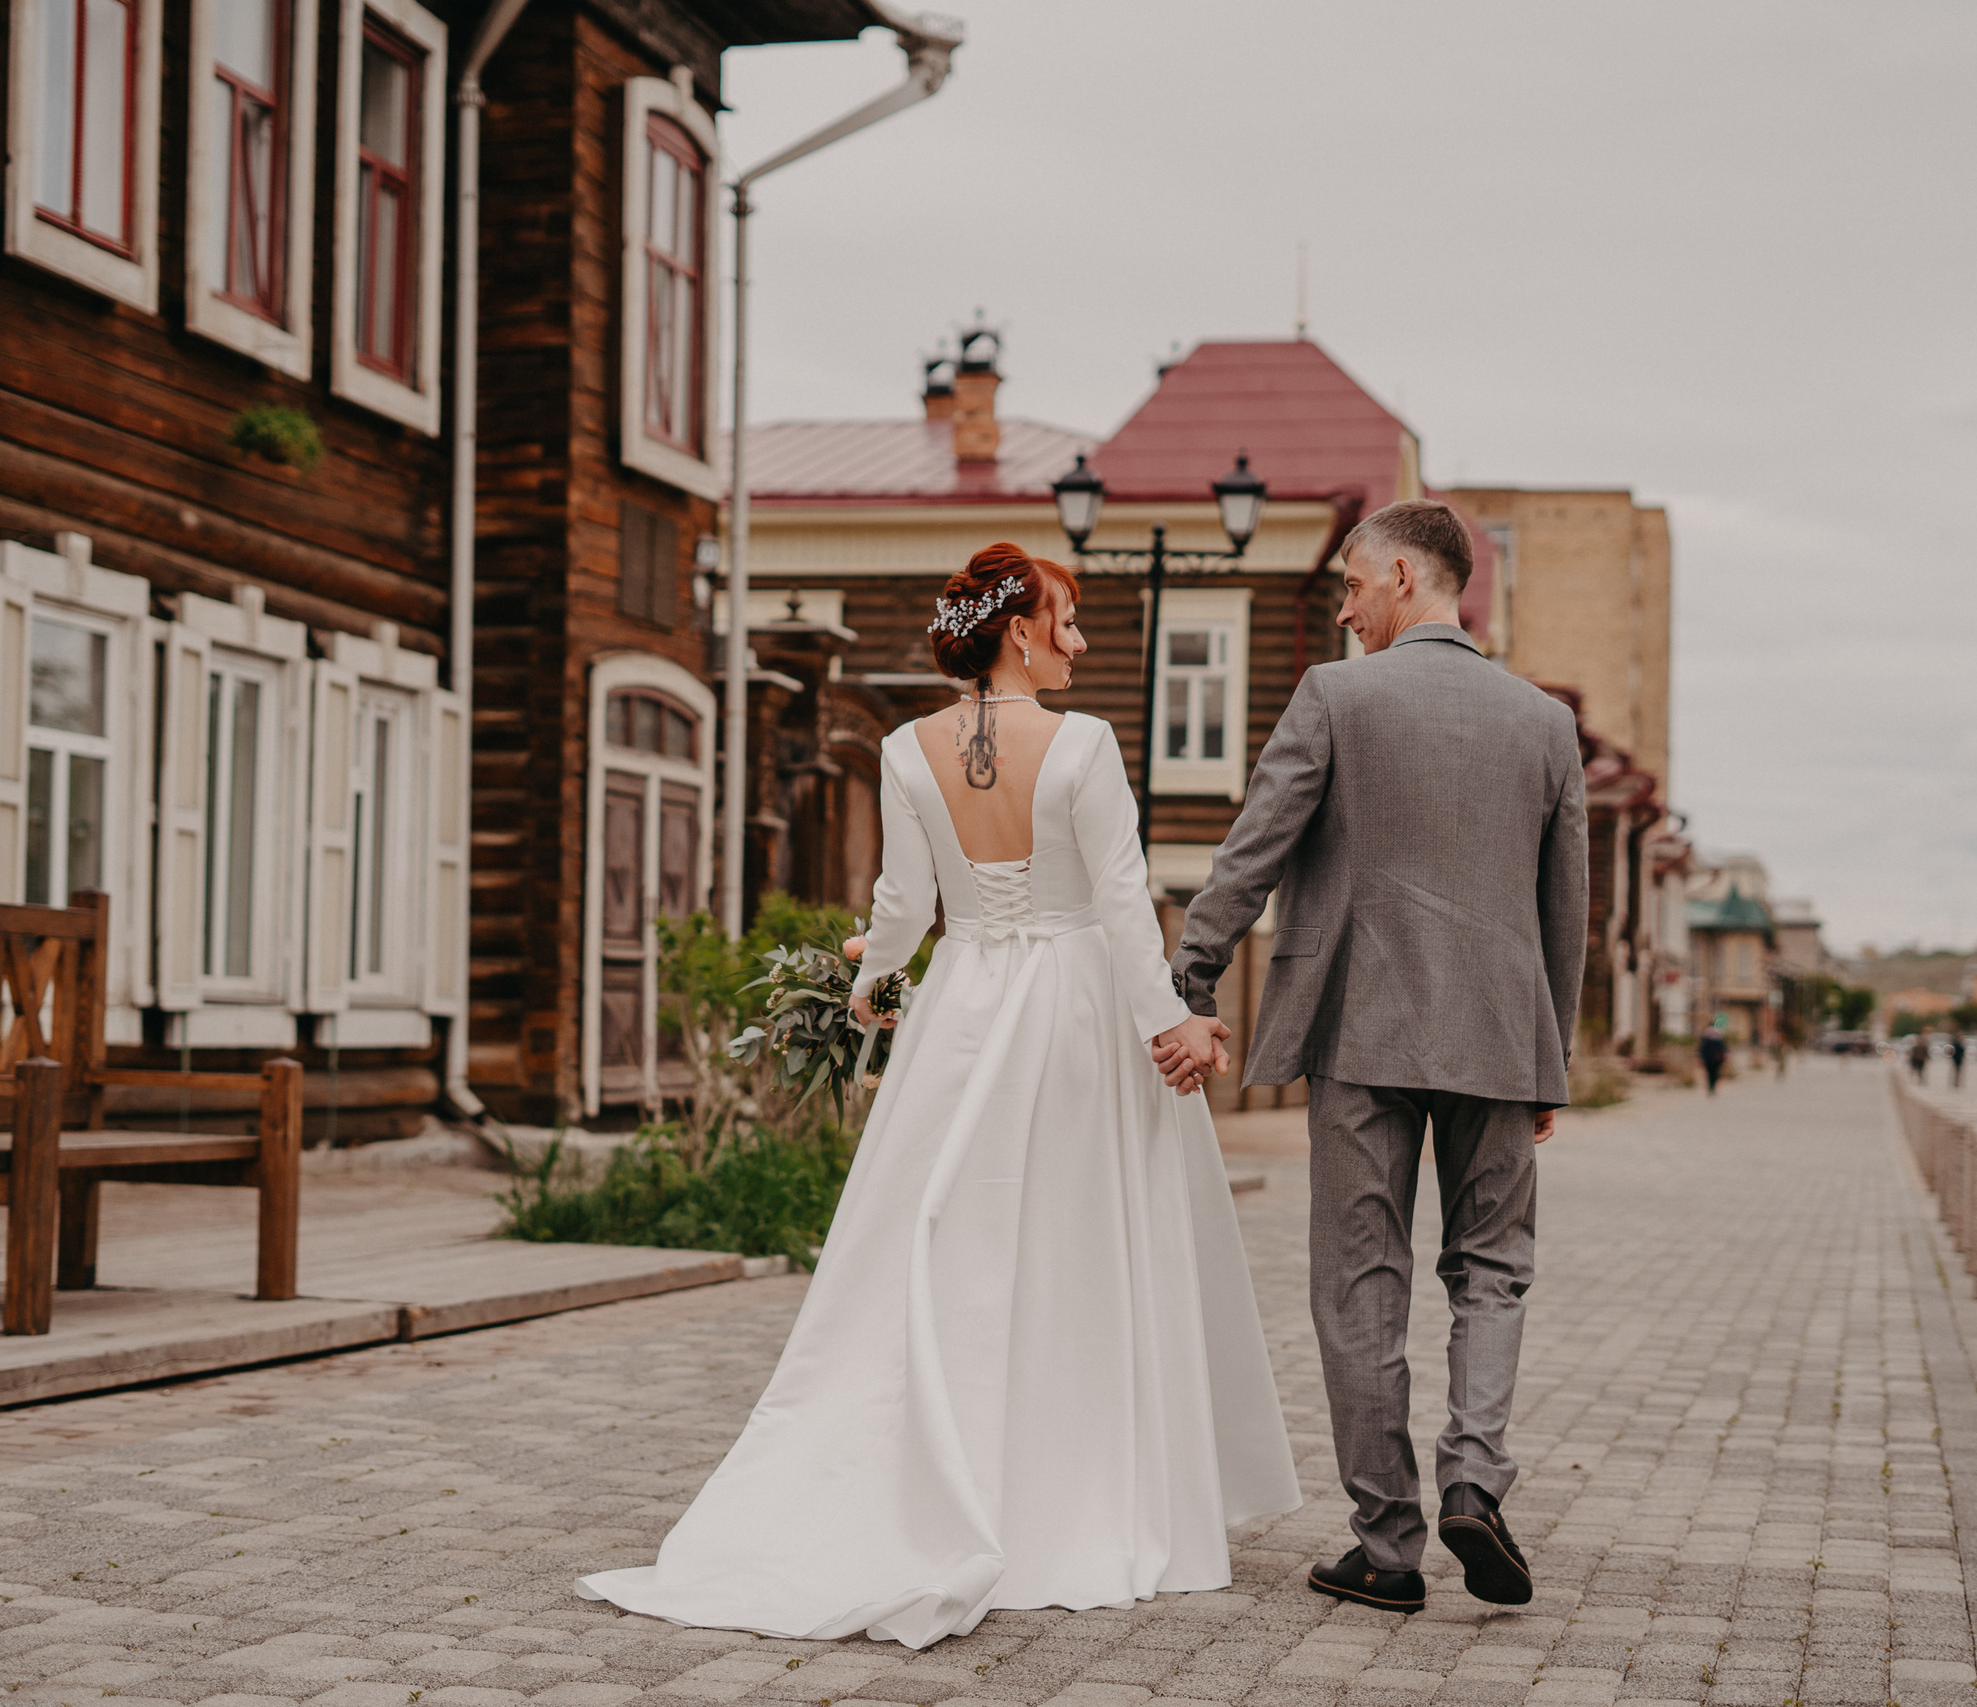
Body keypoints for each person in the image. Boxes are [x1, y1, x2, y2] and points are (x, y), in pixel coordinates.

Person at [576, 545, 1300, 1646]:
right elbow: (1118, 909)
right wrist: (1172, 1026)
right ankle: (1070, 1488)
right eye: (1066, 620)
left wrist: (871, 986)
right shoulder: (1086, 745)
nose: (1079, 641)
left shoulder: (902, 750)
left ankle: (934, 1467)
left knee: (945, 1235)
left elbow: (903, 906)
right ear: (1019, 630)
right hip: (1068, 1017)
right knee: (1073, 1244)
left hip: (963, 1011)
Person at [1160, 500, 1586, 1613]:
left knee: (1359, 1283)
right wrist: (1554, 1060)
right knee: (1493, 1267)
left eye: (1351, 585)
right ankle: (1474, 1482)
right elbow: (1565, 911)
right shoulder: (1542, 723)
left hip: (1360, 1029)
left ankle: (1388, 1547)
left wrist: (1188, 977)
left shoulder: (1336, 698)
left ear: (1404, 574)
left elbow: (1253, 850)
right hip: (1500, 1036)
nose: (1342, 607)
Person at [1698, 1022, 1729, 1094]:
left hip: (1708, 1058)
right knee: (1715, 1073)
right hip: (1716, 1059)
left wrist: (1700, 1057)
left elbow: (1702, 1049)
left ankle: (1711, 1086)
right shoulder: (1719, 1037)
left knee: (1710, 1073)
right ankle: (1712, 1086)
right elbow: (1723, 1048)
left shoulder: (1706, 1037)